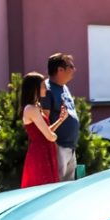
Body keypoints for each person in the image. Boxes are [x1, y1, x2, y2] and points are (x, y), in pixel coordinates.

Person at [19, 72, 68, 188]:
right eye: (42, 85)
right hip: (39, 154)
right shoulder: (31, 109)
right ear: (34, 88)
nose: (45, 88)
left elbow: (44, 132)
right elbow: (49, 136)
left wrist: (60, 120)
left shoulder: (36, 107)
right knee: (42, 187)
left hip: (44, 150)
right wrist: (55, 137)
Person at [45, 52, 80, 181]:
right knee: (57, 186)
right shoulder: (47, 90)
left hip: (70, 147)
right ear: (60, 70)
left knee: (68, 187)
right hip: (58, 147)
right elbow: (44, 121)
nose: (74, 69)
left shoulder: (64, 87)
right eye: (70, 66)